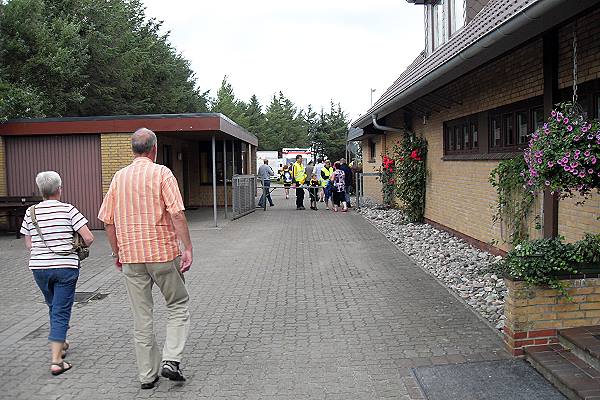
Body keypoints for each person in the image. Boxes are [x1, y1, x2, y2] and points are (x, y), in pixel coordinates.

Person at [98, 128, 193, 389]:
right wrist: (188, 248)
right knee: (177, 304)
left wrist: (118, 253)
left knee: (142, 316)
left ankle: (147, 376)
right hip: (162, 254)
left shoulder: (119, 177)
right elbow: (177, 214)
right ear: (154, 149)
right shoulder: (162, 173)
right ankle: (171, 360)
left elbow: (107, 220)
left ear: (133, 149)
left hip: (132, 258)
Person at [20, 171, 94, 376]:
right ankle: (56, 361)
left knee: (54, 306)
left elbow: (29, 243)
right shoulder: (69, 210)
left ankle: (60, 341)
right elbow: (88, 238)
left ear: (40, 190)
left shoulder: (31, 212)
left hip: (39, 268)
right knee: (61, 310)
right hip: (65, 268)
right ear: (60, 189)